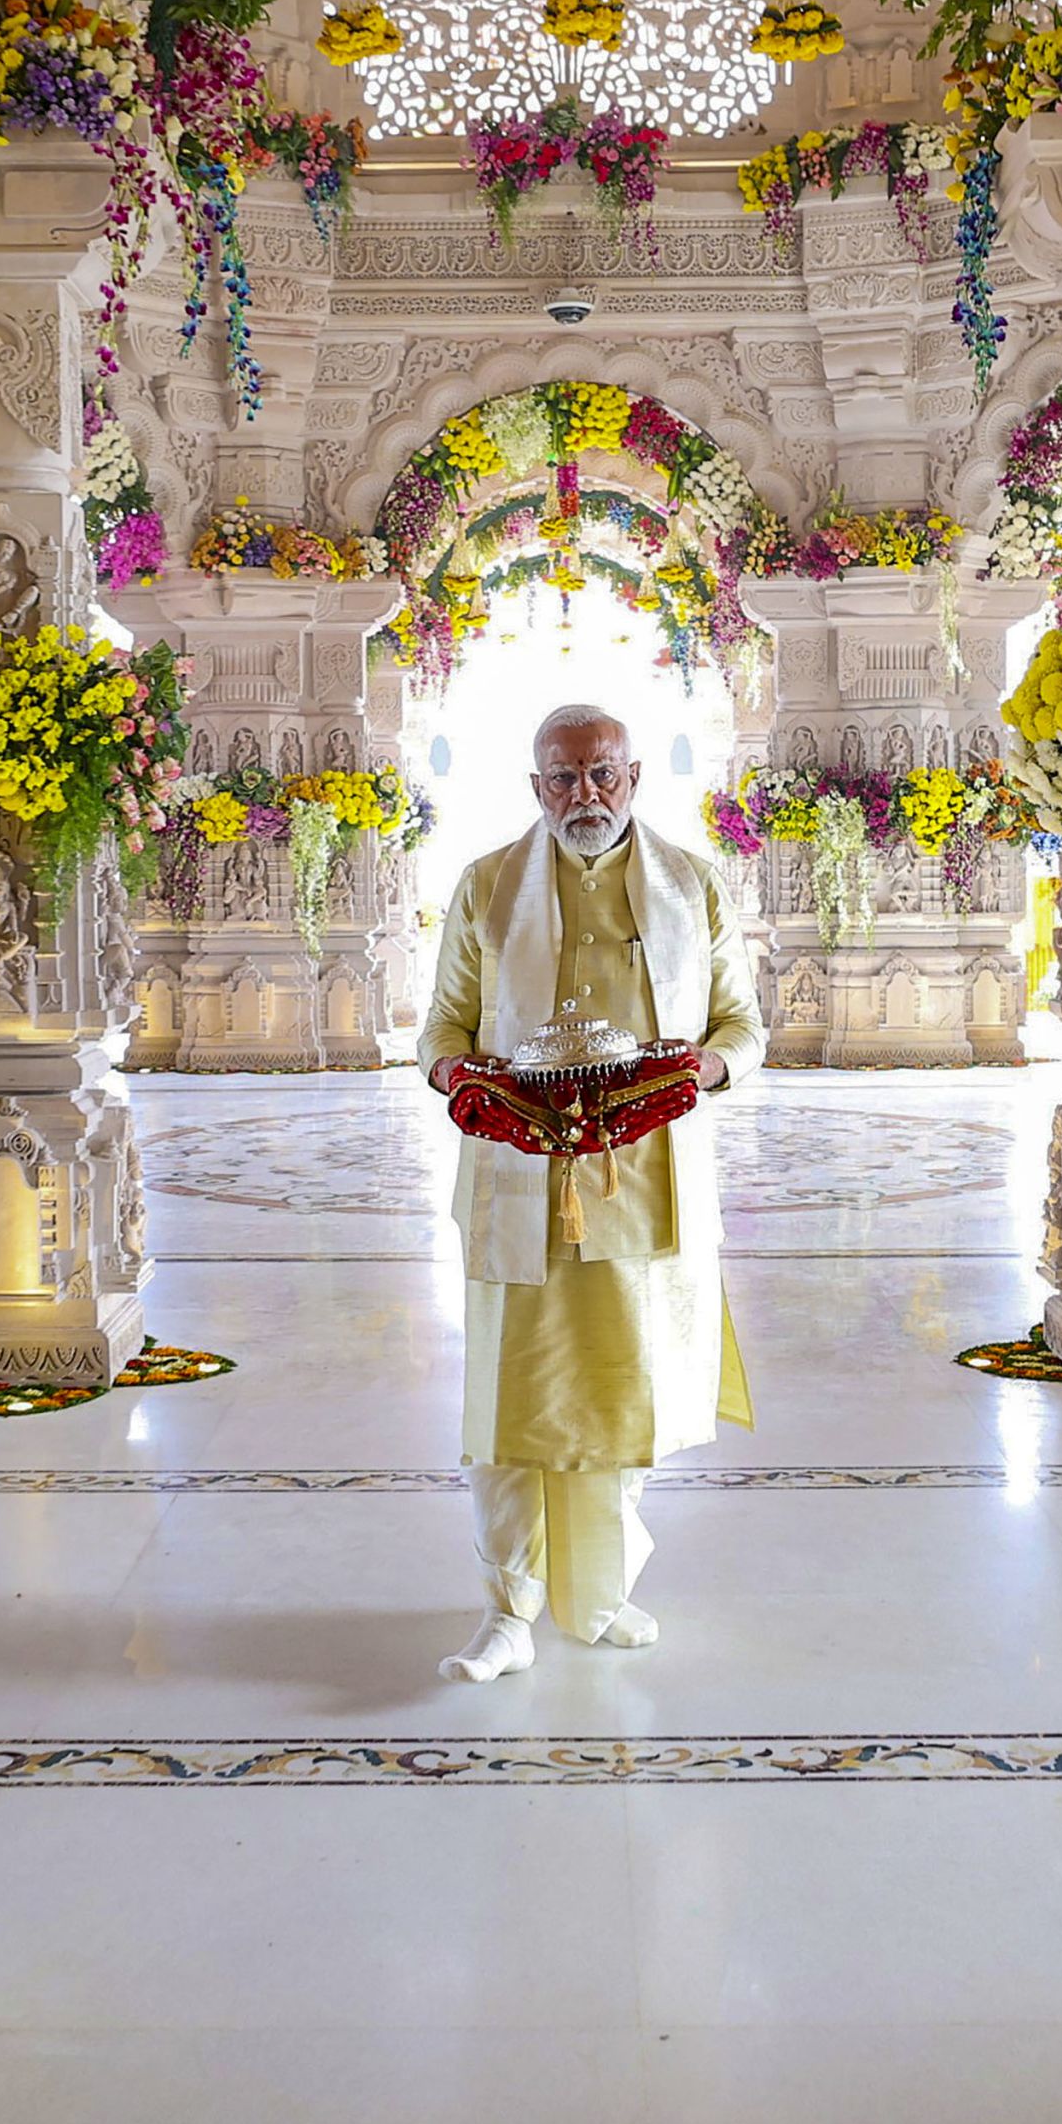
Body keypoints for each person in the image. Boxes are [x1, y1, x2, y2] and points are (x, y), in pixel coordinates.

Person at [419, 704, 766, 1681]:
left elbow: (742, 1025)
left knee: (618, 1394)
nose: (586, 795)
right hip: (516, 1171)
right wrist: (459, 1079)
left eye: (602, 774)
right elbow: (439, 1031)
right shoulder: (486, 887)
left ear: (635, 776)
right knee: (509, 1398)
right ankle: (507, 1608)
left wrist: (709, 1067)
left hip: (643, 1177)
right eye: (564, 778)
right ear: (535, 788)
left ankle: (601, 1593)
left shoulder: (690, 885)